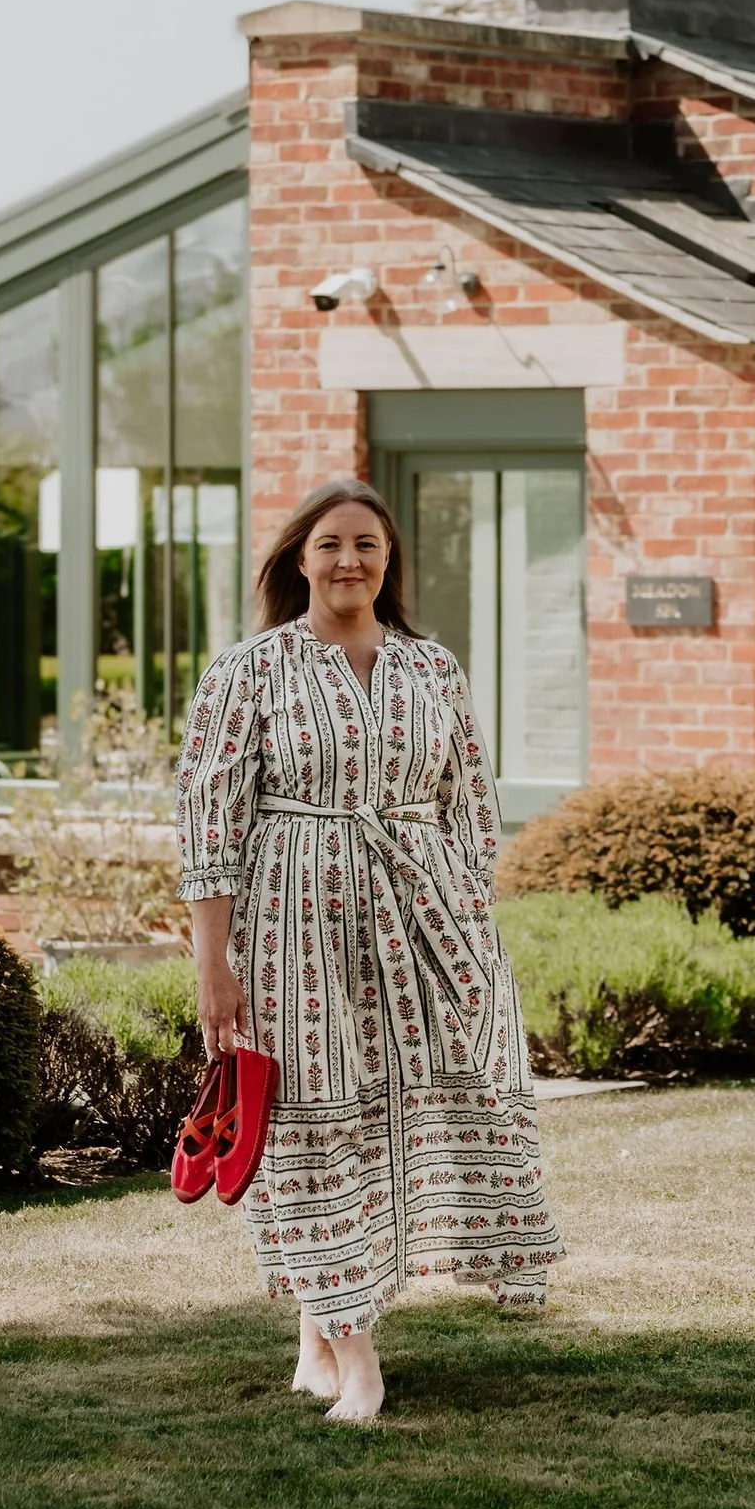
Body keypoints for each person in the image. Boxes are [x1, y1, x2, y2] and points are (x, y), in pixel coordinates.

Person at [175, 476, 563, 1423]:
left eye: (369, 547)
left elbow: (472, 803)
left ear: (389, 563)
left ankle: (317, 1335)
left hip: (422, 918)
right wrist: (211, 963)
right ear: (298, 559)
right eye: (332, 544)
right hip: (291, 920)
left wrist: (470, 917)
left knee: (406, 1112)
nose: (350, 561)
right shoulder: (249, 669)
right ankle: (358, 1354)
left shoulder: (433, 669)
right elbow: (206, 822)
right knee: (313, 1119)